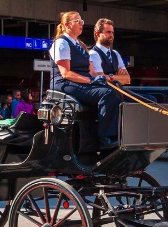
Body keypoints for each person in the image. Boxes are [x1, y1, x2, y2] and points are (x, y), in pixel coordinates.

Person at [50, 11, 122, 150]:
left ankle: (120, 133)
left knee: (116, 88)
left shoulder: (81, 45)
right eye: (77, 21)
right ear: (67, 25)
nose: (81, 23)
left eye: (81, 21)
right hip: (64, 83)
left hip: (80, 81)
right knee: (107, 94)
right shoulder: (61, 43)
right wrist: (90, 81)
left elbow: (91, 72)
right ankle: (105, 138)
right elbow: (66, 73)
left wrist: (102, 79)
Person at [89, 19, 131, 85]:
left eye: (112, 32)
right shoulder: (93, 54)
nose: (111, 35)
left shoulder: (116, 54)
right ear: (98, 34)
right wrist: (118, 77)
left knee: (149, 96)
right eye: (108, 32)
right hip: (106, 92)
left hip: (119, 91)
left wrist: (108, 77)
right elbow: (101, 79)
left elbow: (127, 79)